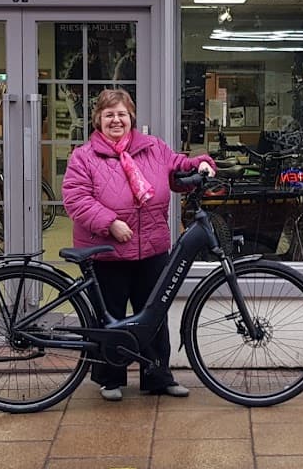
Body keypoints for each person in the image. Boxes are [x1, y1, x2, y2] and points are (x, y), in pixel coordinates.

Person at [61, 89, 217, 402]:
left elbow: (178, 167)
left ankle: (158, 377)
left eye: (121, 114)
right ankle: (110, 380)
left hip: (152, 247)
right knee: (112, 316)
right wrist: (109, 222)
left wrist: (200, 164)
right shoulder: (84, 156)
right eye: (109, 115)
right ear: (98, 121)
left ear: (131, 117)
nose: (115, 120)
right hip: (106, 251)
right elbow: (75, 198)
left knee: (154, 315)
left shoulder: (154, 148)